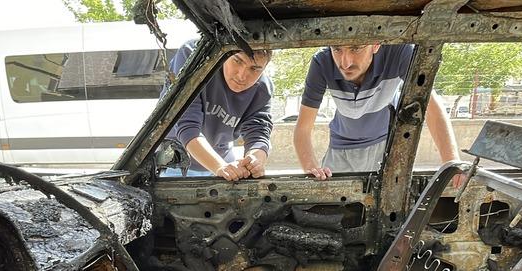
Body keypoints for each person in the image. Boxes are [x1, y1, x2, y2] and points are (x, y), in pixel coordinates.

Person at [293, 44, 460, 180]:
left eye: (356, 48)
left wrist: (451, 163)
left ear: (376, 44)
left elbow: (430, 106)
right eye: (337, 49)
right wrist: (311, 168)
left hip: (386, 145)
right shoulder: (321, 62)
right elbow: (303, 128)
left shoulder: (400, 52)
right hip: (339, 149)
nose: (345, 63)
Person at [162, 39, 273, 181]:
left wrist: (255, 161)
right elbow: (187, 124)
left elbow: (259, 132)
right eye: (237, 61)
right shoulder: (195, 55)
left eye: (255, 69)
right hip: (176, 163)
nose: (242, 76)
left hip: (223, 159)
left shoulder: (263, 88)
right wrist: (220, 167)